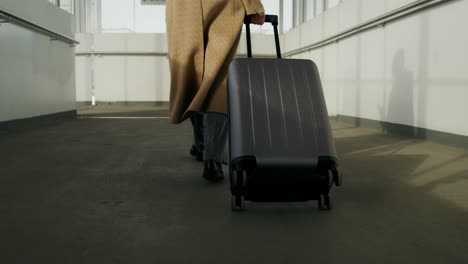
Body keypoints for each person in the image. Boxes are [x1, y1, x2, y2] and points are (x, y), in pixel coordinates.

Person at [166, 0, 266, 182]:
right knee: (219, 78)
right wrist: (254, 6)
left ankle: (202, 143)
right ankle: (212, 157)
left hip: (183, 7)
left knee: (191, 74)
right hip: (222, 5)